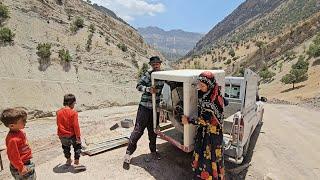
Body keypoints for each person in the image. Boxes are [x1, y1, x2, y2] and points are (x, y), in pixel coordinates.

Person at [182, 71, 225, 180]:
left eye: (202, 86)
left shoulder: (210, 101)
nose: (200, 87)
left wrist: (188, 120)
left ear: (209, 85)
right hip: (214, 133)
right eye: (199, 85)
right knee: (213, 158)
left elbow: (204, 121)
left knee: (207, 159)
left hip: (210, 136)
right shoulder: (214, 93)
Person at [123, 56, 164, 169]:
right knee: (138, 130)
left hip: (155, 109)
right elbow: (138, 86)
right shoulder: (148, 75)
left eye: (157, 64)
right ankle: (128, 154)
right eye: (154, 64)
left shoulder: (163, 75)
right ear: (151, 65)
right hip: (144, 107)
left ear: (160, 64)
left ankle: (153, 151)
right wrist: (148, 89)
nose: (156, 65)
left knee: (153, 131)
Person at [0, 108, 36, 180]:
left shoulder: (20, 131)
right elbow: (13, 156)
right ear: (12, 126)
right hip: (21, 166)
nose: (25, 122)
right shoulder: (12, 140)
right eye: (22, 121)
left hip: (26, 163)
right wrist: (21, 167)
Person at [56, 94, 83, 168]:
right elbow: (76, 126)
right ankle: (76, 162)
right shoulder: (73, 112)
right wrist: (78, 137)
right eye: (74, 103)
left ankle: (68, 160)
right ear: (70, 102)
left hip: (62, 135)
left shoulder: (58, 112)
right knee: (77, 147)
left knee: (65, 148)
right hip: (72, 135)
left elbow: (58, 123)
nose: (74, 105)